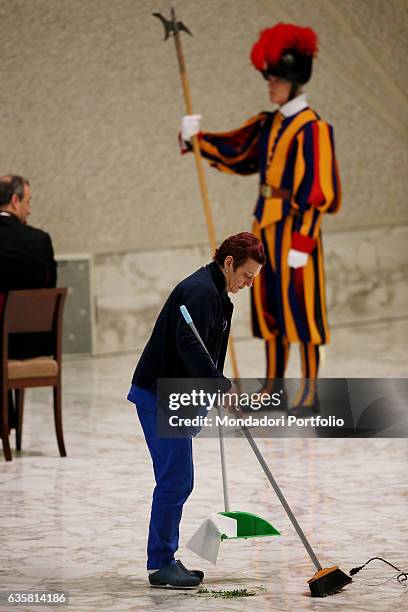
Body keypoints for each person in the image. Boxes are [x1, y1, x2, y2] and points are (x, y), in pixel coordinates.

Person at [181, 23, 341, 412]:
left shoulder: (314, 129)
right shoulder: (270, 123)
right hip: (266, 228)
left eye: (277, 78)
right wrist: (197, 140)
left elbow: (318, 191)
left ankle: (309, 390)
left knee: (302, 311)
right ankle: (273, 387)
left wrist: (303, 242)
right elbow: (240, 152)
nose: (270, 83)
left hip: (296, 231)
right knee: (270, 309)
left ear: (294, 80)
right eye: (269, 76)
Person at [127, 232, 265, 588]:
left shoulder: (218, 295)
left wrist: (218, 387)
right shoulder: (201, 291)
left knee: (178, 480)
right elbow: (189, 345)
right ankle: (160, 564)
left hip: (176, 396)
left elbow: (207, 351)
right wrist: (219, 385)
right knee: (176, 480)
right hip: (160, 396)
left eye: (254, 279)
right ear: (229, 263)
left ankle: (165, 559)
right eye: (246, 275)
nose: (249, 284)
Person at [0, 174, 57, 430]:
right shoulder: (40, 240)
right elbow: (50, 286)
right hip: (31, 344)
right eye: (28, 201)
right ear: (14, 201)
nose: (30, 209)